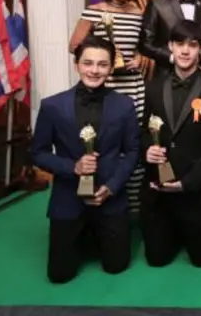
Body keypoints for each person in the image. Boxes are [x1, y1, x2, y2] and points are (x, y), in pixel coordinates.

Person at [30, 36, 139, 284]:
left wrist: (112, 187)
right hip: (68, 199)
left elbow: (133, 151)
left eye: (102, 64)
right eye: (88, 63)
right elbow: (38, 153)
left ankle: (94, 238)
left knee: (116, 267)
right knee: (59, 275)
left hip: (109, 198)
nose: (94, 70)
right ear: (76, 65)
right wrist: (73, 167)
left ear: (110, 68)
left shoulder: (124, 105)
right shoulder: (52, 106)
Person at [140, 20, 201, 268]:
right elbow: (143, 131)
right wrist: (147, 149)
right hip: (158, 189)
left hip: (196, 189)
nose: (185, 51)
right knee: (156, 260)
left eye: (192, 45)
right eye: (179, 43)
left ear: (200, 49)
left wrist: (188, 182)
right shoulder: (152, 88)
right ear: (170, 46)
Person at [69, 0, 147, 214]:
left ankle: (132, 205)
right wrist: (103, 59)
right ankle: (100, 197)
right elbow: (74, 46)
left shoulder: (138, 13)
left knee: (132, 143)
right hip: (106, 86)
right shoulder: (94, 12)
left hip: (133, 86)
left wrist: (139, 58)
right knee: (105, 141)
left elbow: (142, 47)